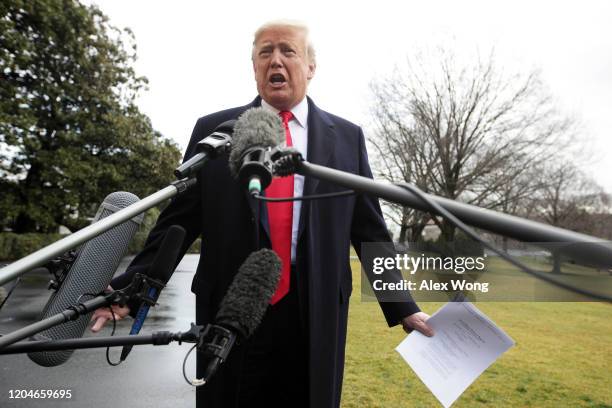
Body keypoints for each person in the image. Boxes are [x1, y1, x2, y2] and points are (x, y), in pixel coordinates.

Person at [90, 20, 433, 408]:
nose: (276, 60)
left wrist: (402, 305)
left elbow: (369, 230)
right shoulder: (216, 131)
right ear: (253, 66)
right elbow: (179, 221)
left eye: (288, 51)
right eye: (265, 52)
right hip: (230, 309)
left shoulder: (347, 137)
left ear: (310, 66)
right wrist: (133, 290)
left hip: (314, 311)